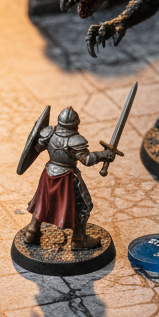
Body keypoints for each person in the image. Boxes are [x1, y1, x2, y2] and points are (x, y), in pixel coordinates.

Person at [24, 106, 114, 250]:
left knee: (42, 203)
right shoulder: (75, 141)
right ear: (76, 124)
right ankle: (79, 241)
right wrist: (104, 155)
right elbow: (87, 160)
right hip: (66, 178)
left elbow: (37, 148)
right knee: (84, 206)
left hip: (48, 174)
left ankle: (31, 232)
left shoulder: (49, 133)